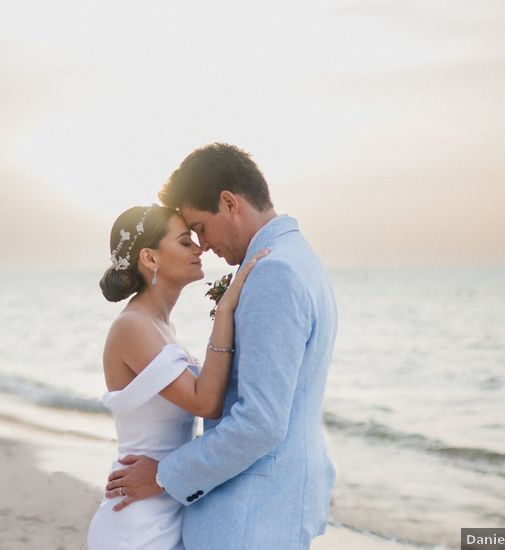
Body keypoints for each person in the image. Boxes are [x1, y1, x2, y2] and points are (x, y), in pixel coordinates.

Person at [104, 143, 339, 549]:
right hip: (262, 508)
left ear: (229, 203)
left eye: (200, 227)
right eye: (189, 237)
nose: (203, 245)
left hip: (250, 515)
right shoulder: (299, 259)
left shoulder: (274, 273)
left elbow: (260, 422)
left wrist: (163, 475)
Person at [87, 203, 269, 550]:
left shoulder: (161, 326)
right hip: (136, 522)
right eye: (185, 242)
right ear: (150, 258)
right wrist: (225, 310)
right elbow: (206, 402)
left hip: (165, 504)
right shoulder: (132, 326)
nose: (199, 248)